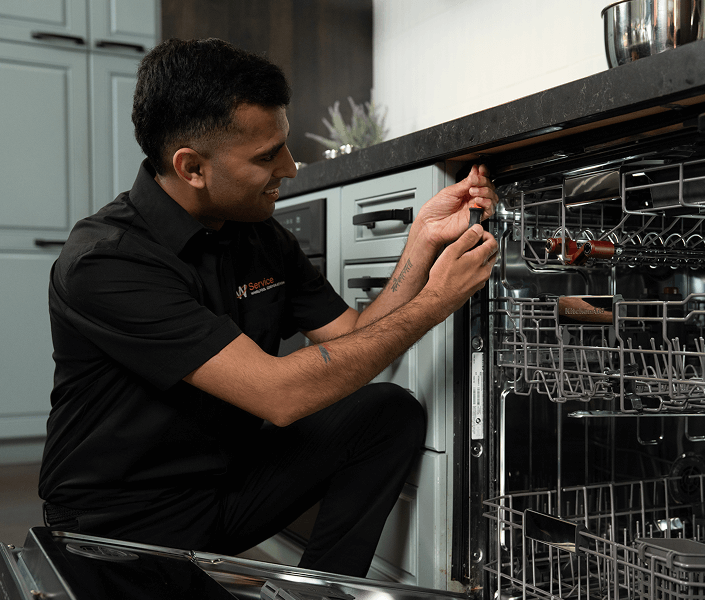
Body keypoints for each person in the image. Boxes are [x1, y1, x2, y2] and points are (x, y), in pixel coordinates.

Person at [38, 37, 498, 577]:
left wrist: (421, 240)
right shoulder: (107, 261)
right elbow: (280, 395)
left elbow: (354, 335)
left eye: (282, 144)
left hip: (226, 485)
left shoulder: (256, 233)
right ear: (191, 168)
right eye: (266, 155)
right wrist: (438, 300)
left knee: (386, 411)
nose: (291, 167)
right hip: (121, 524)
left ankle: (324, 589)